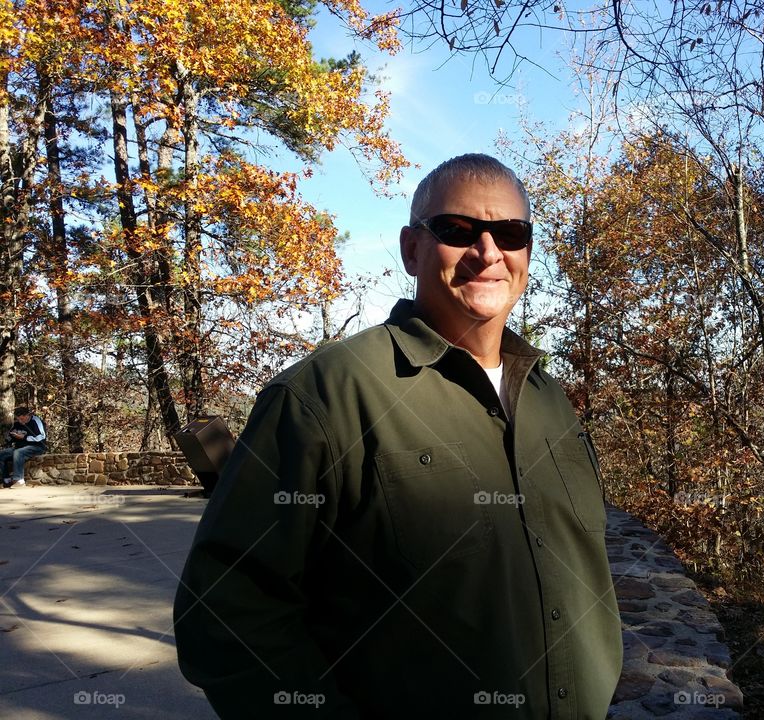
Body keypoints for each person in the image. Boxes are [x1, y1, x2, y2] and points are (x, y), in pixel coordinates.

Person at [174, 154, 623, 718]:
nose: (488, 252)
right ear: (412, 248)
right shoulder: (325, 395)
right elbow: (226, 613)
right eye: (458, 231)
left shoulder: (549, 400)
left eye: (510, 233)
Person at [1, 406, 47, 488]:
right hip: (20, 447)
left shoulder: (35, 421)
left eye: (21, 419)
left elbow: (41, 436)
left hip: (36, 447)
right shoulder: (17, 423)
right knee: (2, 454)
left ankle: (19, 480)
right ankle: (6, 480)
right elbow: (11, 436)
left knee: (18, 452)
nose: (19, 421)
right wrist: (11, 436)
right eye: (18, 419)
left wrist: (24, 437)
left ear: (27, 415)